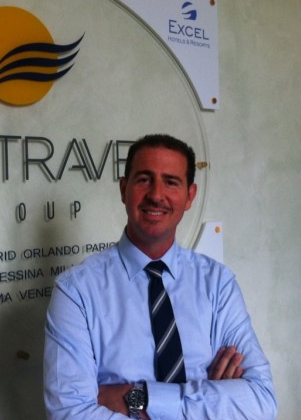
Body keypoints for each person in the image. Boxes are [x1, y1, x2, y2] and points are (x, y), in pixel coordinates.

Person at [43, 134, 277, 419]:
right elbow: (70, 413)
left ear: (190, 196)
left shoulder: (218, 285)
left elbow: (261, 402)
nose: (156, 195)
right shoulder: (76, 292)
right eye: (144, 179)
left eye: (171, 182)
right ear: (123, 189)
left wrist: (139, 397)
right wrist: (211, 400)